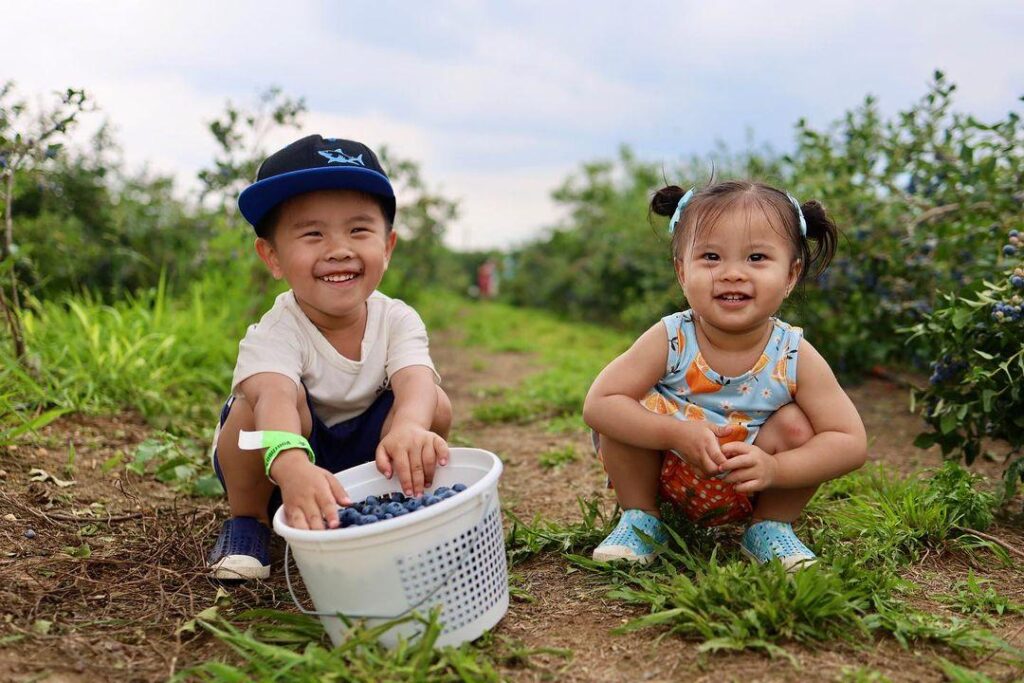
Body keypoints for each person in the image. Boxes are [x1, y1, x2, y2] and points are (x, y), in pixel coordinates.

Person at [582, 180, 867, 570]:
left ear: (790, 275)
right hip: (668, 473)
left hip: (752, 481)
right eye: (711, 256)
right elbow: (598, 405)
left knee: (800, 426)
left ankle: (768, 526)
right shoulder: (671, 337)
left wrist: (776, 469)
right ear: (682, 271)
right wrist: (674, 432)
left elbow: (850, 441)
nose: (732, 273)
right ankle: (641, 518)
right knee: (627, 405)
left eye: (757, 258)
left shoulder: (794, 353)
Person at [206, 135, 452, 580]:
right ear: (273, 256)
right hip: (282, 464)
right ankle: (248, 521)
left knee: (433, 400)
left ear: (388, 246)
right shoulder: (276, 332)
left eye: (358, 230)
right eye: (313, 233)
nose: (338, 248)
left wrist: (411, 427)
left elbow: (414, 380)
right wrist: (292, 464)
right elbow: (276, 400)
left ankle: (397, 500)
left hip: (366, 463)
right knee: (250, 412)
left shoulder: (396, 319)